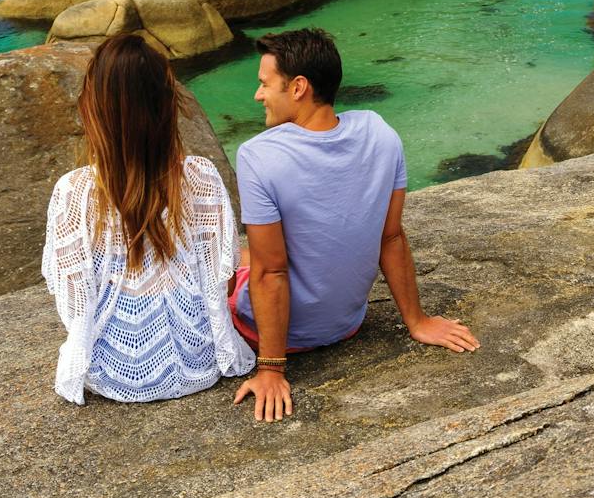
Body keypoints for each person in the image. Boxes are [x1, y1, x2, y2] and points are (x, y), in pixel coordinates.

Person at [231, 27, 477, 422]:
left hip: (279, 336)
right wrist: (417, 321)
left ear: (297, 88)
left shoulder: (258, 156)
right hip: (346, 324)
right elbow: (391, 236)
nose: (259, 95)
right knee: (243, 254)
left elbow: (271, 271)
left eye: (265, 85)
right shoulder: (381, 133)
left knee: (212, 267)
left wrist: (271, 369)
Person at [44, 32, 255, 405]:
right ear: (166, 105)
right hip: (199, 361)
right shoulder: (201, 176)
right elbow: (218, 282)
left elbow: (73, 306)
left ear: (94, 108)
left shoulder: (73, 192)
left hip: (111, 375)